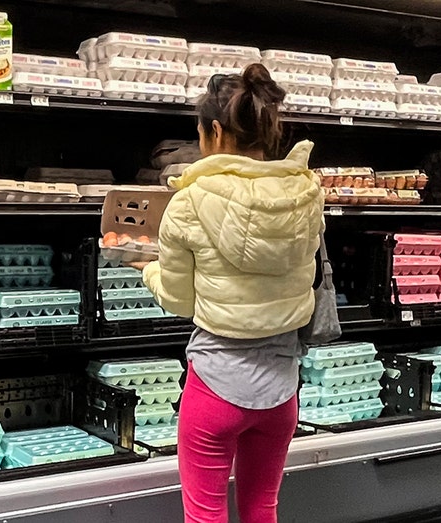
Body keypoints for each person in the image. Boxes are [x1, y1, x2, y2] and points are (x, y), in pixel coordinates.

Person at [134, 63, 324, 523]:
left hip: (217, 386)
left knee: (205, 516)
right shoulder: (306, 194)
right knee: (262, 508)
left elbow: (180, 300)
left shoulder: (190, 201)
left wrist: (149, 271)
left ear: (214, 131)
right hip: (281, 389)